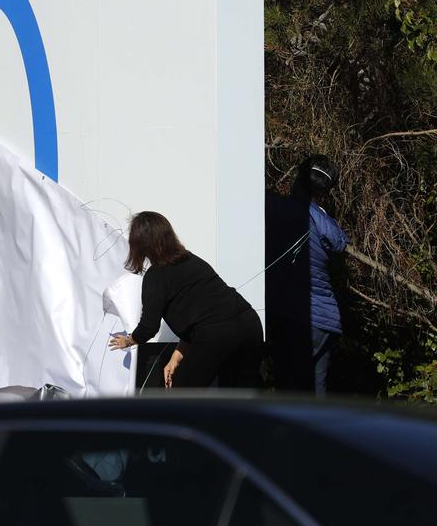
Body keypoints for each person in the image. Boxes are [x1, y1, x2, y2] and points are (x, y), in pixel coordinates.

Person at [108, 211, 262, 388]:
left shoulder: (156, 276)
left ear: (140, 244)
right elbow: (201, 318)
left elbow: (149, 327)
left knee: (183, 396)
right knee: (239, 398)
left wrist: (128, 340)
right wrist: (176, 357)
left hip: (217, 335)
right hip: (249, 325)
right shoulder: (191, 260)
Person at [265, 155, 348, 395]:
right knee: (315, 391)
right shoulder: (325, 221)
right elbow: (339, 242)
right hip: (326, 319)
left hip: (294, 315)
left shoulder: (280, 208)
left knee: (290, 389)